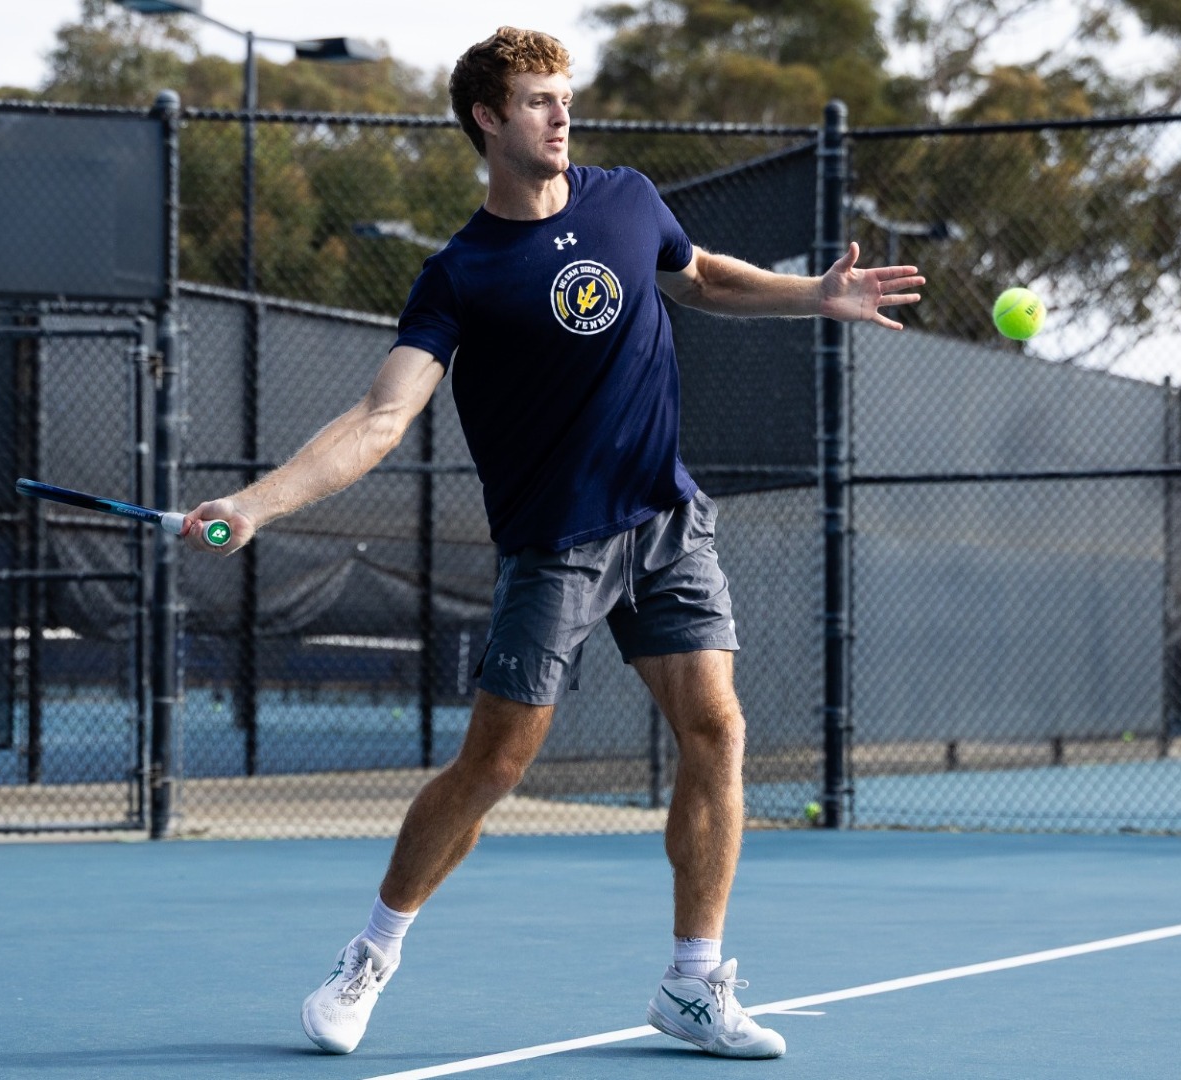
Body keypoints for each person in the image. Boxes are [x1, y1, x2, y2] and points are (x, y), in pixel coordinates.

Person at [181, 25, 924, 1061]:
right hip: (556, 546)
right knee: (494, 766)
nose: (562, 114)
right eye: (538, 100)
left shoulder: (625, 199)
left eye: (565, 96)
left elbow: (699, 274)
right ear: (488, 118)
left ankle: (693, 983)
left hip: (666, 519)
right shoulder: (460, 276)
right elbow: (380, 419)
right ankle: (370, 957)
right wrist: (257, 504)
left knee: (715, 728)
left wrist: (815, 295)